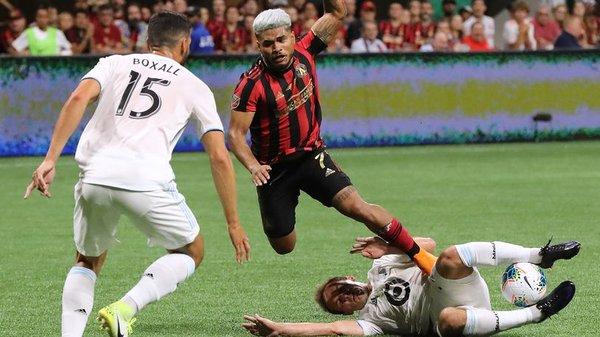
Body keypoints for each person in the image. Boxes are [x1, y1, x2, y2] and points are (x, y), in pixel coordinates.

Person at [24, 11, 250, 337]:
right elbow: (219, 156)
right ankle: (125, 308)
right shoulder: (194, 85)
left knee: (87, 261)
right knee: (191, 251)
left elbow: (78, 97)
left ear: (147, 42)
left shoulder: (114, 62)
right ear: (185, 45)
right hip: (147, 181)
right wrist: (233, 221)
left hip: (95, 177)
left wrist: (50, 159)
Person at [227, 2, 438, 275]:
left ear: (292, 37)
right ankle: (287, 206)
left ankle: (418, 254)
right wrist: (254, 166)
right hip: (273, 171)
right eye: (268, 44)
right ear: (259, 46)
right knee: (284, 245)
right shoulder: (251, 85)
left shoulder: (306, 50)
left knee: (357, 206)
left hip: (312, 156)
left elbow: (336, 13)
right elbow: (234, 135)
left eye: (281, 39)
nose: (276, 47)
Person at [242, 237, 580, 336]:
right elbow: (332, 330)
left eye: (339, 288)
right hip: (451, 318)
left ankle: (538, 255)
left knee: (448, 255)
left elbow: (426, 242)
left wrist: (389, 246)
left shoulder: (380, 265)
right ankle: (538, 313)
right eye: (338, 302)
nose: (344, 296)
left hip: (454, 285)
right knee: (448, 320)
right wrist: (281, 330)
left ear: (347, 277)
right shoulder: (371, 321)